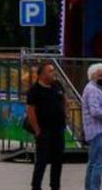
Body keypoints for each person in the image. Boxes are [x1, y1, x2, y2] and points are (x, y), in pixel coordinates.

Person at [27, 62, 68, 190]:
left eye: (53, 70)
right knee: (42, 160)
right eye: (50, 71)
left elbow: (64, 99)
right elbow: (31, 111)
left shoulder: (57, 85)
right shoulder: (34, 90)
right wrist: (37, 130)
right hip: (44, 130)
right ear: (42, 74)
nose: (53, 73)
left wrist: (65, 113)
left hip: (58, 129)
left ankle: (55, 186)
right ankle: (36, 185)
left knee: (58, 160)